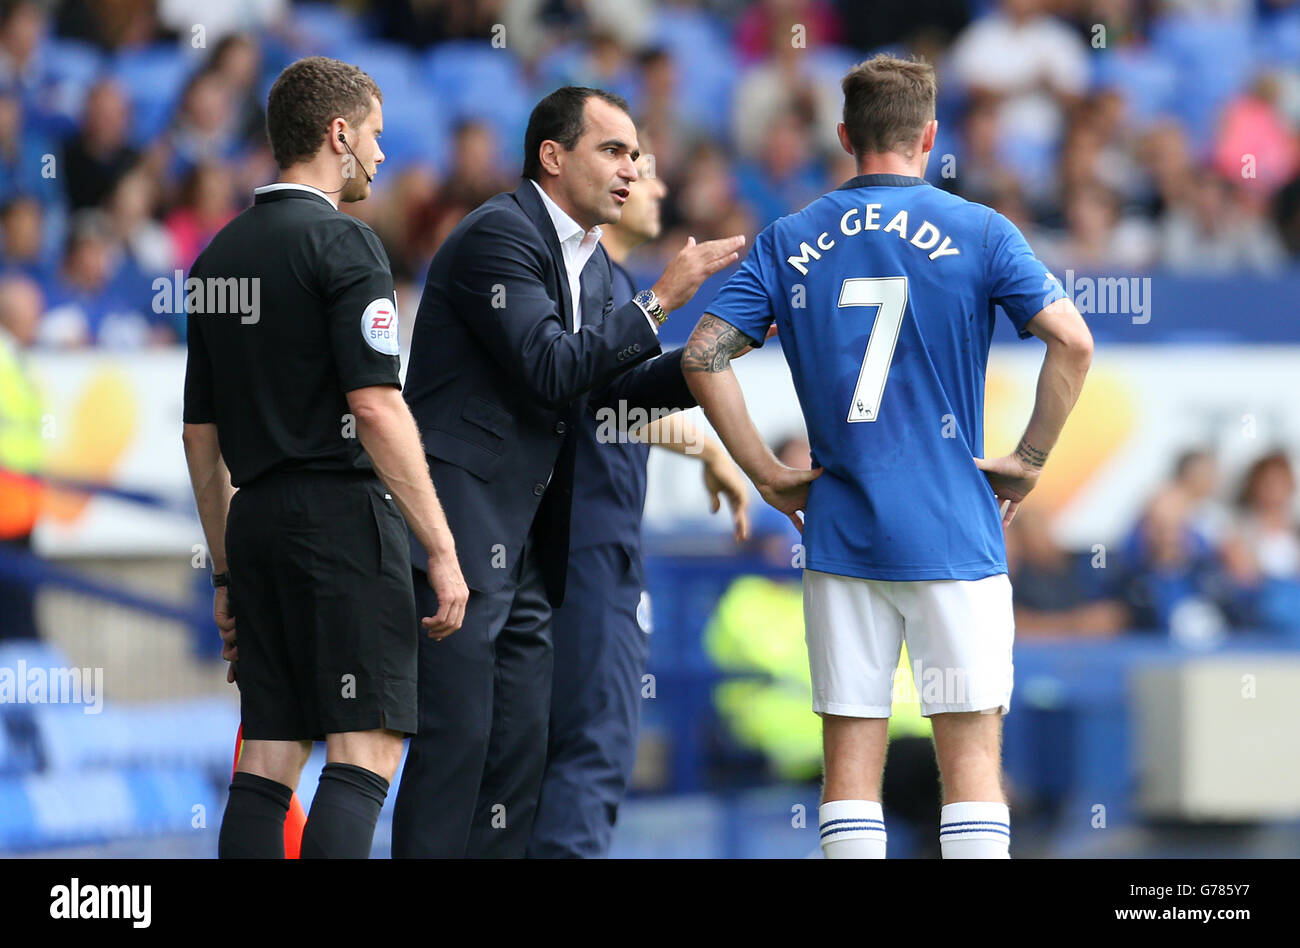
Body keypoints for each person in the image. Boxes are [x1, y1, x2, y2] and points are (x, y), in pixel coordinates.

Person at [682, 54, 1093, 859]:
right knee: (972, 760)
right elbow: (1073, 343)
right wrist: (1032, 456)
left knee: (851, 766)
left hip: (840, 528)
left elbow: (703, 355)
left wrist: (767, 473)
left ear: (844, 136)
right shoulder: (980, 230)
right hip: (954, 528)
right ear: (930, 136)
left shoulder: (791, 237)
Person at [394, 86, 745, 858]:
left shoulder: (589, 268)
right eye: (614, 151)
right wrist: (659, 300)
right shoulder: (499, 236)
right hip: (463, 528)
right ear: (553, 157)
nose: (631, 169)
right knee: (457, 749)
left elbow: (609, 392)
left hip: (528, 550)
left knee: (517, 756)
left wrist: (714, 347)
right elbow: (552, 369)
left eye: (637, 157)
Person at [182, 56, 467, 859]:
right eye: (375, 136)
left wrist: (228, 573)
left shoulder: (214, 261)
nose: (382, 155)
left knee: (270, 756)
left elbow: (199, 439)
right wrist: (441, 550)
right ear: (339, 134)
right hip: (341, 521)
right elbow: (375, 405)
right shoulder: (347, 243)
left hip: (259, 525)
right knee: (366, 747)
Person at [526, 145, 752, 858]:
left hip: (588, 541)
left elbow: (610, 404)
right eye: (637, 168)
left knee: (568, 753)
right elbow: (588, 396)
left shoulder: (603, 284)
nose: (650, 186)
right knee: (591, 749)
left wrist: (709, 447)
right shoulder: (596, 288)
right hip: (589, 545)